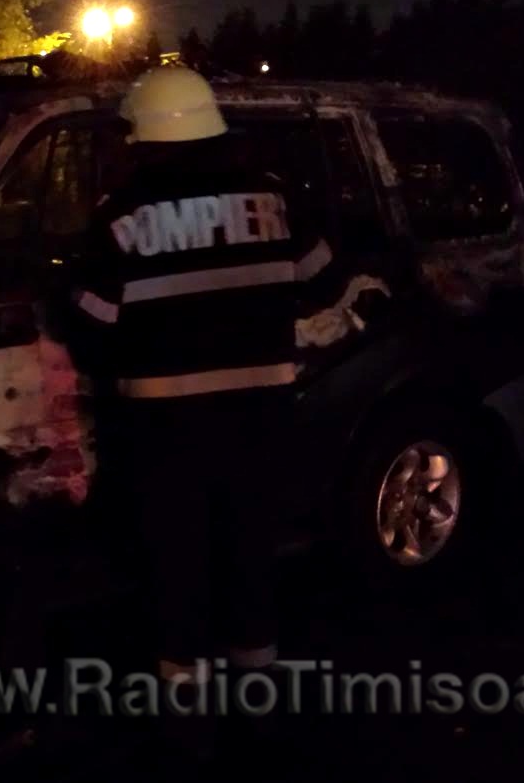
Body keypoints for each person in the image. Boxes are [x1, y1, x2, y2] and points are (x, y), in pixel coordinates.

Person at [68, 66, 390, 767]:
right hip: (260, 422)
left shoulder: (121, 217)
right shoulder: (271, 200)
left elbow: (87, 326)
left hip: (165, 434)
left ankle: (189, 727)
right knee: (250, 561)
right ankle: (260, 710)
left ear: (148, 137)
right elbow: (328, 284)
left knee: (177, 571)